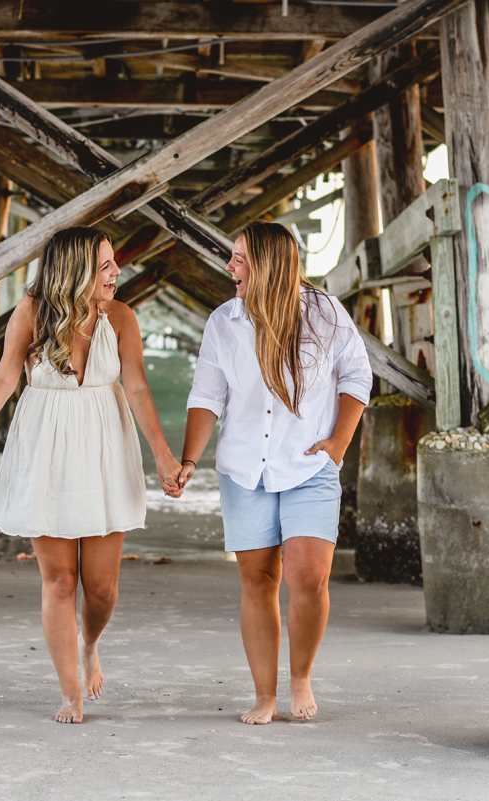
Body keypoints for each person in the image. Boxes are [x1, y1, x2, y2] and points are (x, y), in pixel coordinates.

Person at [0, 227, 182, 724]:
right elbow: (5, 376)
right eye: (104, 265)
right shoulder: (31, 314)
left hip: (105, 448)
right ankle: (69, 693)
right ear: (74, 270)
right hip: (46, 446)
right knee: (59, 582)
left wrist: (163, 455)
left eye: (113, 263)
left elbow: (138, 388)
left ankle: (90, 643)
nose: (116, 272)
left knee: (101, 590)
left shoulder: (120, 318)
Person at [173, 221, 372, 725]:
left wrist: (339, 443)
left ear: (267, 264)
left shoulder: (325, 313)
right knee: (258, 579)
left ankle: (300, 678)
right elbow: (206, 396)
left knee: (309, 577)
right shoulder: (224, 322)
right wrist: (189, 460)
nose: (229, 267)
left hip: (310, 464)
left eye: (239, 258)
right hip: (244, 468)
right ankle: (264, 694)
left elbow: (357, 375)